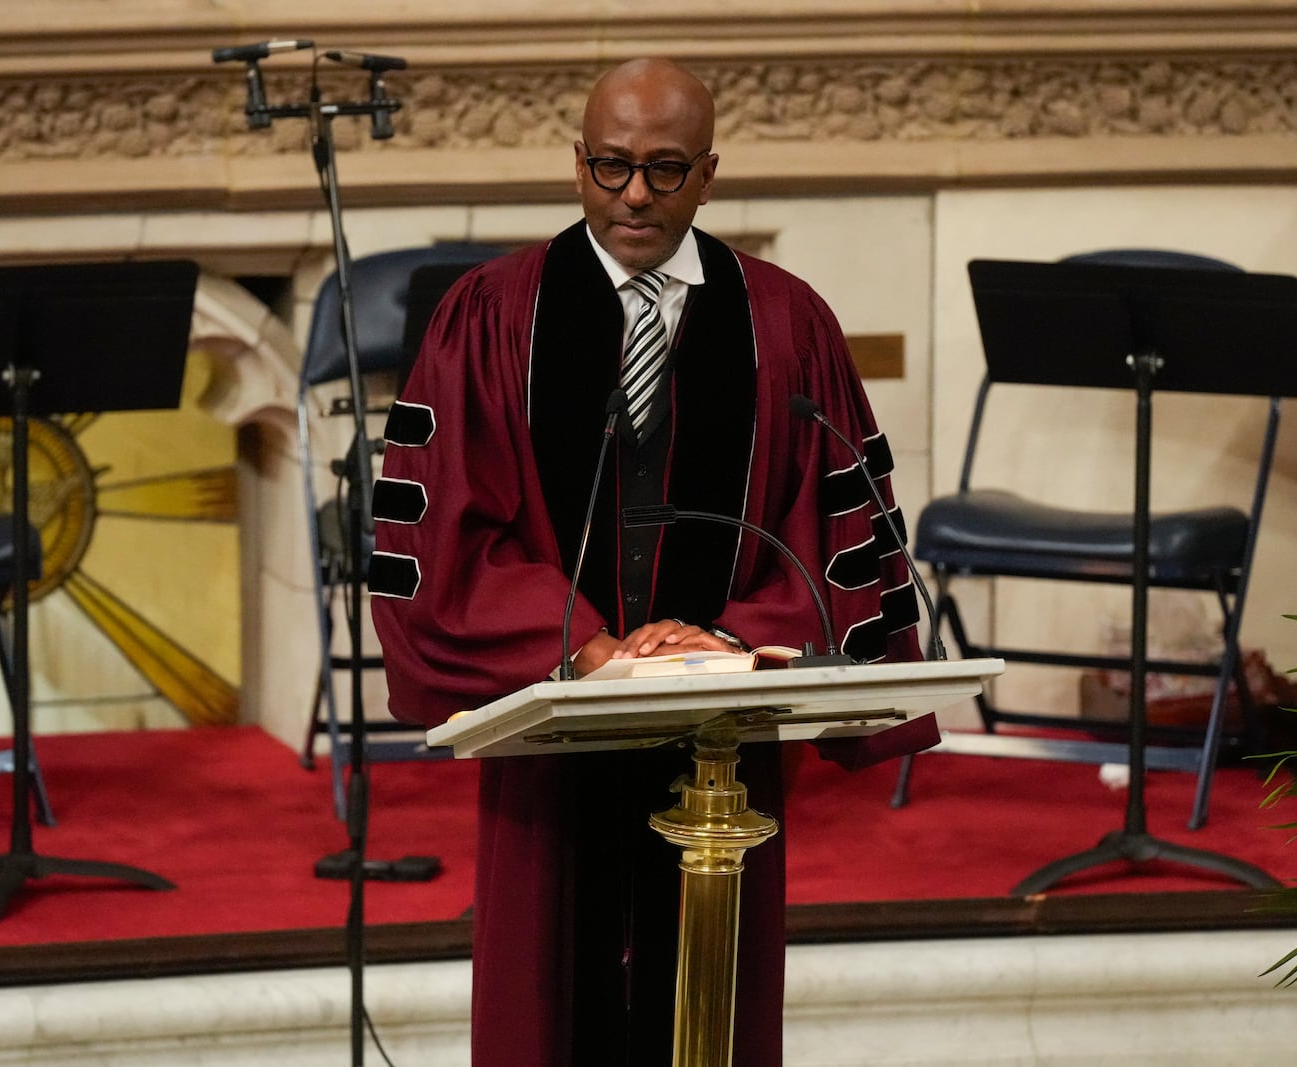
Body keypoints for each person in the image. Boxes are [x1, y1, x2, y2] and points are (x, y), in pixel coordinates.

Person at [369, 57, 935, 1067]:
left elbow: (834, 528)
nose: (634, 193)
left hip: (720, 713)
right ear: (575, 164)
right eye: (611, 165)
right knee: (553, 991)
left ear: (709, 173)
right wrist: (579, 642)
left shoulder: (784, 322)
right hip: (551, 720)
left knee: (706, 993)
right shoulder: (492, 315)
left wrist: (727, 637)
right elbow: (443, 531)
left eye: (665, 170)